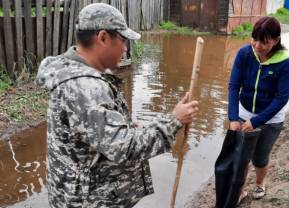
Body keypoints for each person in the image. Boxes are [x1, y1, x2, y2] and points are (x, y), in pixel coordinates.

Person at [35, 3, 199, 208]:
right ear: (103, 38)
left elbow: (95, 136)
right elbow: (124, 148)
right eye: (123, 41)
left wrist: (126, 127)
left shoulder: (76, 73)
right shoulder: (85, 87)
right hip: (87, 202)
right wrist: (173, 120)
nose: (125, 49)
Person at [228, 16, 289, 201]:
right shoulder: (244, 54)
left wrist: (256, 121)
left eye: (263, 42)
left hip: (271, 120)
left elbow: (282, 98)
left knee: (259, 158)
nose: (257, 45)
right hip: (244, 113)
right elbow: (233, 86)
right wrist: (233, 117)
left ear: (275, 40)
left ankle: (259, 183)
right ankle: (240, 191)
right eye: (254, 39)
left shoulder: (284, 62)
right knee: (241, 157)